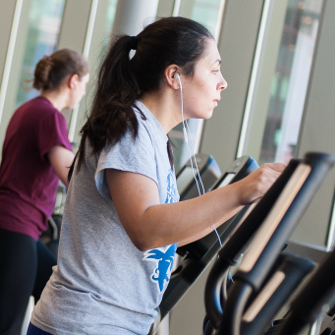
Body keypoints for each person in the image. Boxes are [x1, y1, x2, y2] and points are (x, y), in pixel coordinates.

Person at [27, 17, 286, 335]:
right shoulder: (131, 129)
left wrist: (243, 201)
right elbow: (146, 229)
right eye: (214, 68)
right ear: (175, 75)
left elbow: (167, 236)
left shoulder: (150, 134)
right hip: (86, 324)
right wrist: (242, 190)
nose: (223, 82)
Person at [0, 49, 88, 335]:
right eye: (85, 84)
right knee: (5, 328)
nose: (84, 91)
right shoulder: (49, 117)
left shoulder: (28, 109)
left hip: (5, 227)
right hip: (13, 230)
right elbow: (71, 175)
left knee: (58, 298)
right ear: (73, 81)